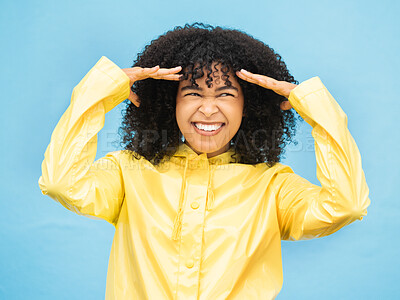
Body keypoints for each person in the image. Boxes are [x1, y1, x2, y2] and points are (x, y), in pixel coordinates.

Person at [38, 23, 370, 299]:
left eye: (225, 94)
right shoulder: (129, 171)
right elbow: (61, 183)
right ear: (171, 103)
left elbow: (346, 206)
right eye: (193, 93)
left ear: (248, 105)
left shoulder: (273, 187)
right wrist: (97, 93)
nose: (208, 109)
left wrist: (316, 108)